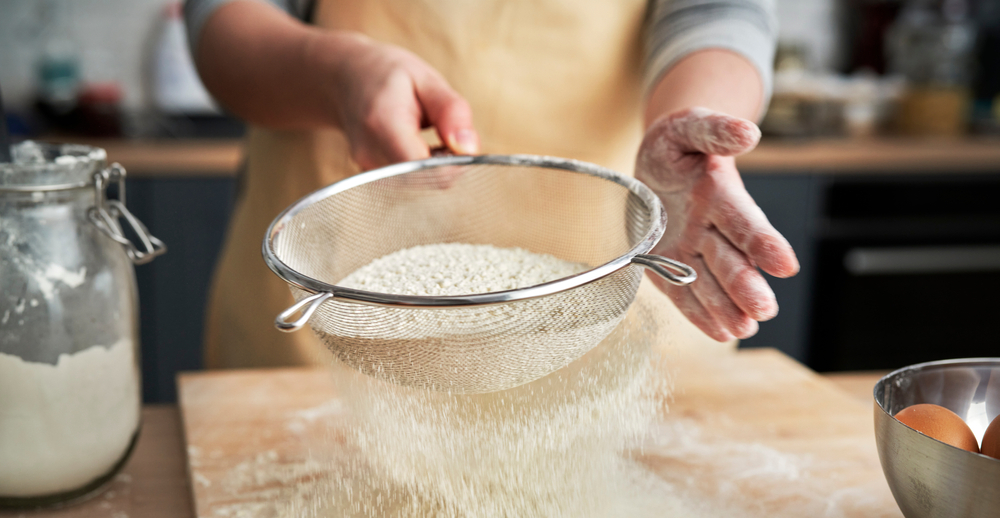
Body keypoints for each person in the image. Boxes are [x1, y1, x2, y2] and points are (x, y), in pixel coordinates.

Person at [184, 0, 800, 369]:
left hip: (608, 283)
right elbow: (223, 21)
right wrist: (339, 74)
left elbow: (720, 11)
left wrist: (686, 127)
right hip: (341, 293)